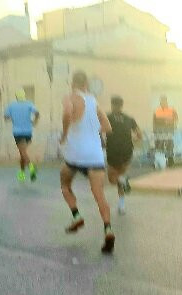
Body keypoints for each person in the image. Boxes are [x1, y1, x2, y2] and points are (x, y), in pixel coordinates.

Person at [60, 71, 116, 254]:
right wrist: (92, 131)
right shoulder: (93, 100)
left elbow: (68, 113)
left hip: (75, 154)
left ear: (72, 83)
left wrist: (65, 133)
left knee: (65, 185)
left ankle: (76, 215)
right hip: (95, 155)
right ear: (86, 85)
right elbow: (108, 127)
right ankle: (108, 229)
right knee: (99, 195)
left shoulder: (70, 97)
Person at [105, 95, 141, 215]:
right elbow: (139, 134)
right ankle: (121, 206)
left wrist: (101, 142)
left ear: (112, 105)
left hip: (113, 151)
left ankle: (122, 181)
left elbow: (98, 130)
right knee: (120, 178)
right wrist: (134, 141)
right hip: (127, 152)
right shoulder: (129, 119)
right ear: (121, 105)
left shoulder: (107, 117)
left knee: (112, 179)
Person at [4, 90, 40, 182]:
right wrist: (34, 122)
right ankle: (22, 174)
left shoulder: (12, 105)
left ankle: (32, 169)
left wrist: (14, 118)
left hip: (18, 133)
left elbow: (6, 118)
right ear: (24, 96)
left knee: (23, 153)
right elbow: (37, 113)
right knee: (22, 153)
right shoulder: (29, 104)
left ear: (16, 97)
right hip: (28, 132)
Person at [152, 95, 178, 168]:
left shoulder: (172, 110)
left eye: (164, 101)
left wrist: (174, 126)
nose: (162, 103)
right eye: (161, 101)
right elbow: (154, 122)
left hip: (169, 131)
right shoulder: (157, 111)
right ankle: (159, 162)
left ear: (166, 102)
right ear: (160, 102)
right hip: (159, 132)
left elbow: (176, 119)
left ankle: (170, 161)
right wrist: (154, 131)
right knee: (159, 147)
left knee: (170, 146)